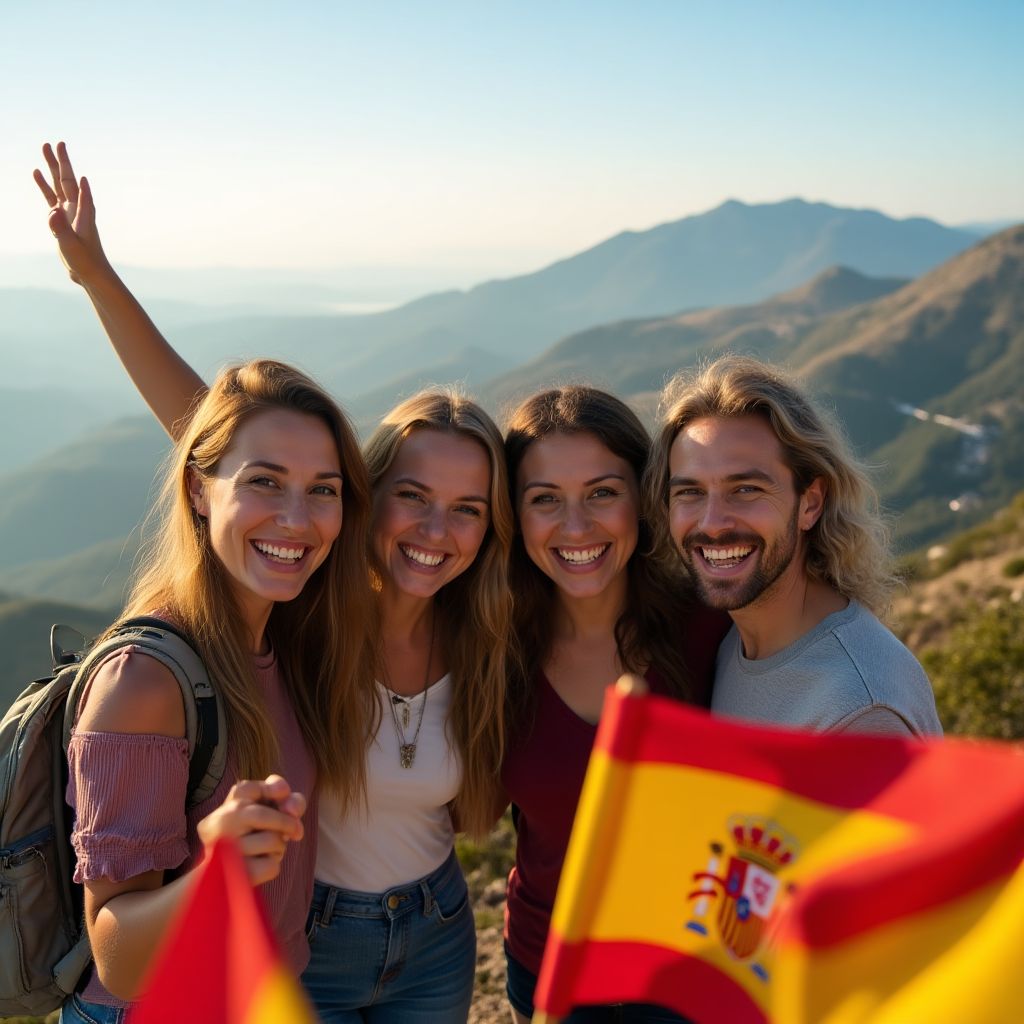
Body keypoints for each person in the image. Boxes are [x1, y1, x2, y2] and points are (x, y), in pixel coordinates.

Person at [36, 141, 514, 1022]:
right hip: (245, 976)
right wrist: (99, 280)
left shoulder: (464, 634)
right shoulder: (284, 630)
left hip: (384, 948)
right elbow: (212, 434)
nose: (295, 518)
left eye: (468, 510)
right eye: (410, 496)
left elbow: (235, 459)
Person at [61, 357, 378, 1023]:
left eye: (324, 490)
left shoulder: (286, 635)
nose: (298, 519)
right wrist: (216, 873)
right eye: (265, 482)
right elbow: (116, 957)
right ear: (200, 490)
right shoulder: (146, 682)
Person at [500, 385, 729, 1024]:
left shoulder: (715, 628)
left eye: (603, 492)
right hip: (550, 972)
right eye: (545, 499)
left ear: (643, 497)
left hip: (688, 979)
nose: (576, 527)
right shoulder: (493, 651)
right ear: (514, 516)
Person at [645, 354, 942, 736]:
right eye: (689, 492)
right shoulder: (732, 639)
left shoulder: (860, 713)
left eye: (746, 489)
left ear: (810, 503)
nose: (712, 523)